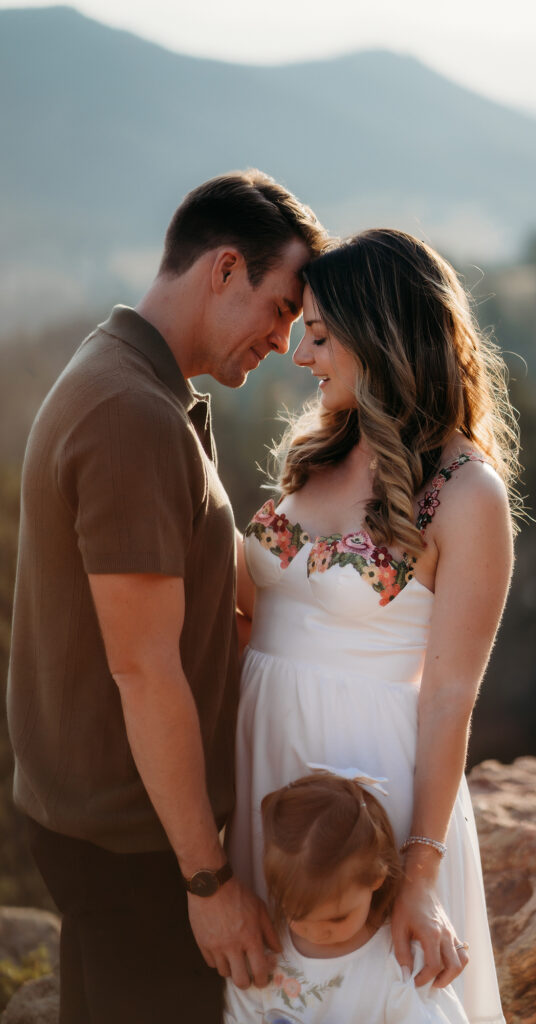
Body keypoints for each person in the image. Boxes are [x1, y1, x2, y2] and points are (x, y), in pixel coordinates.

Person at [6, 169, 326, 1024]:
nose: (285, 343)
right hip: (134, 841)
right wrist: (207, 878)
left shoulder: (139, 383)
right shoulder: (130, 416)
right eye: (282, 309)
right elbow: (144, 668)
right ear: (225, 270)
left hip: (110, 822)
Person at [231, 229, 518, 1023]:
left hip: (373, 796)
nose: (299, 353)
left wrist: (418, 876)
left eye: (319, 334)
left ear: (382, 334)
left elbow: (451, 694)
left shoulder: (465, 492)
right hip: (268, 776)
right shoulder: (320, 448)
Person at [225, 769, 470, 1023]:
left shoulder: (399, 962)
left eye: (337, 919)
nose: (317, 932)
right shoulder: (264, 958)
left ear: (377, 877)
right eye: (296, 915)